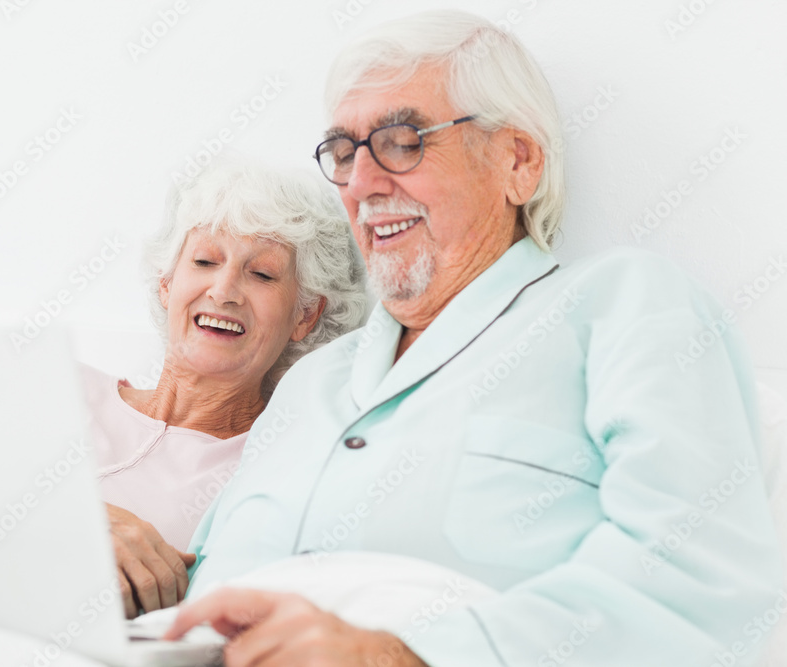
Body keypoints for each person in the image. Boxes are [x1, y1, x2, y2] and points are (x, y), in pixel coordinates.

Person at [164, 10, 784, 666]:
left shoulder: (624, 306)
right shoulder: (309, 381)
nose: (363, 184)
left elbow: (697, 575)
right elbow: (198, 581)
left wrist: (398, 657)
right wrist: (114, 554)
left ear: (518, 162)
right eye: (344, 155)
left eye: (402, 140)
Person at [83, 159, 366, 619]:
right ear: (167, 284)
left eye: (263, 275)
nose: (224, 289)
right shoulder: (63, 388)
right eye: (204, 261)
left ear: (305, 315)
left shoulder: (278, 474)